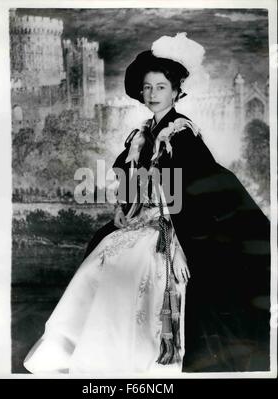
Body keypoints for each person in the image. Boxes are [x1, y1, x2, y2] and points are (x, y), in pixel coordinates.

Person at [23, 33, 270, 375]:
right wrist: (122, 208)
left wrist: (180, 245)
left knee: (135, 269)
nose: (153, 94)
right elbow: (130, 181)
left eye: (161, 88)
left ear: (176, 92)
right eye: (148, 88)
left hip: (176, 229)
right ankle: (95, 350)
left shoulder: (182, 136)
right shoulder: (140, 136)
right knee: (101, 258)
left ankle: (149, 356)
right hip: (142, 221)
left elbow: (198, 194)